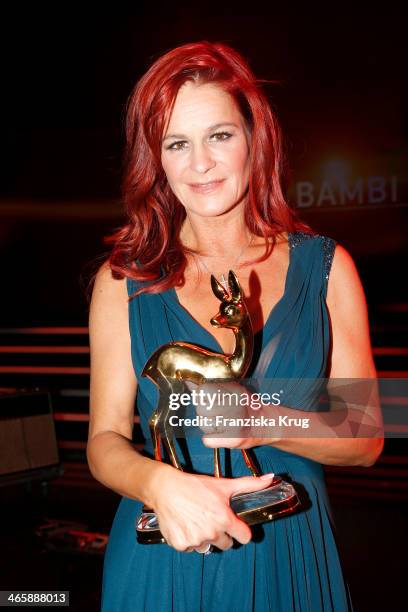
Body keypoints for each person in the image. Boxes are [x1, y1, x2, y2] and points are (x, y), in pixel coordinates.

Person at [86, 41, 384, 611]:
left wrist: (259, 420)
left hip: (288, 555)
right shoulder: (121, 281)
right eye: (178, 143)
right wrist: (157, 483)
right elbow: (103, 442)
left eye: (219, 136)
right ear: (158, 159)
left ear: (255, 138)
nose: (201, 164)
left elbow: (366, 439)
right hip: (162, 554)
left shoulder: (325, 268)